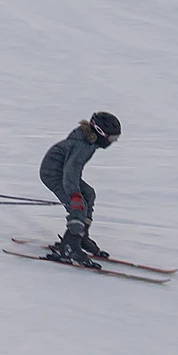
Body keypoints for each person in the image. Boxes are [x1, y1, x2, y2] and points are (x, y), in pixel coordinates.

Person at [38, 112, 121, 268]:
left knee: (88, 194)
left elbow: (71, 171)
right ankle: (70, 247)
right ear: (100, 132)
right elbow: (71, 173)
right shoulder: (82, 145)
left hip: (61, 171)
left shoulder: (89, 140)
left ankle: (80, 237)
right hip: (53, 173)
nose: (112, 142)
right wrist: (75, 196)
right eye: (112, 138)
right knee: (78, 204)